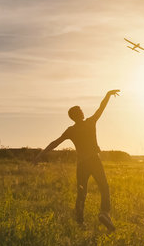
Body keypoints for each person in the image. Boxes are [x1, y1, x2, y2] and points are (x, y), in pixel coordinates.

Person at [34, 89, 120, 231]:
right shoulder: (90, 122)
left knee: (81, 193)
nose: (82, 112)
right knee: (104, 187)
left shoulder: (71, 130)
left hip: (81, 164)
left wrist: (40, 155)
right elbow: (101, 107)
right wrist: (108, 95)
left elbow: (55, 142)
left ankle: (80, 223)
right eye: (80, 111)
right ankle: (104, 212)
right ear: (78, 115)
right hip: (94, 160)